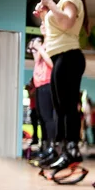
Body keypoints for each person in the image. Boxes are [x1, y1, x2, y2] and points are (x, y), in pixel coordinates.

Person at [37, 0, 88, 171]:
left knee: (67, 106)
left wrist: (49, 4)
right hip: (61, 56)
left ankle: (72, 150)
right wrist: (45, 15)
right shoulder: (60, 3)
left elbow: (67, 23)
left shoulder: (71, 0)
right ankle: (61, 149)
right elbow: (56, 32)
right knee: (59, 108)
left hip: (69, 56)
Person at [30, 26, 59, 166]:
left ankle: (52, 149)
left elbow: (52, 64)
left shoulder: (52, 42)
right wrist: (36, 49)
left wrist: (40, 48)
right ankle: (45, 147)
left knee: (49, 119)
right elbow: (37, 61)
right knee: (42, 118)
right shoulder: (43, 44)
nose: (42, 26)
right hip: (39, 84)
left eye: (45, 24)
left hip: (48, 83)